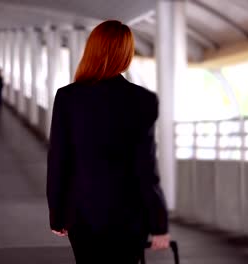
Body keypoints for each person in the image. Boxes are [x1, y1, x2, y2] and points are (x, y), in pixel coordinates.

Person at [47, 20, 170, 264]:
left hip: (81, 214)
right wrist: (158, 223)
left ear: (91, 50)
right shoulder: (142, 100)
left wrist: (57, 214)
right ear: (126, 54)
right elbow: (146, 170)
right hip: (129, 218)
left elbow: (59, 161)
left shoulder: (68, 97)